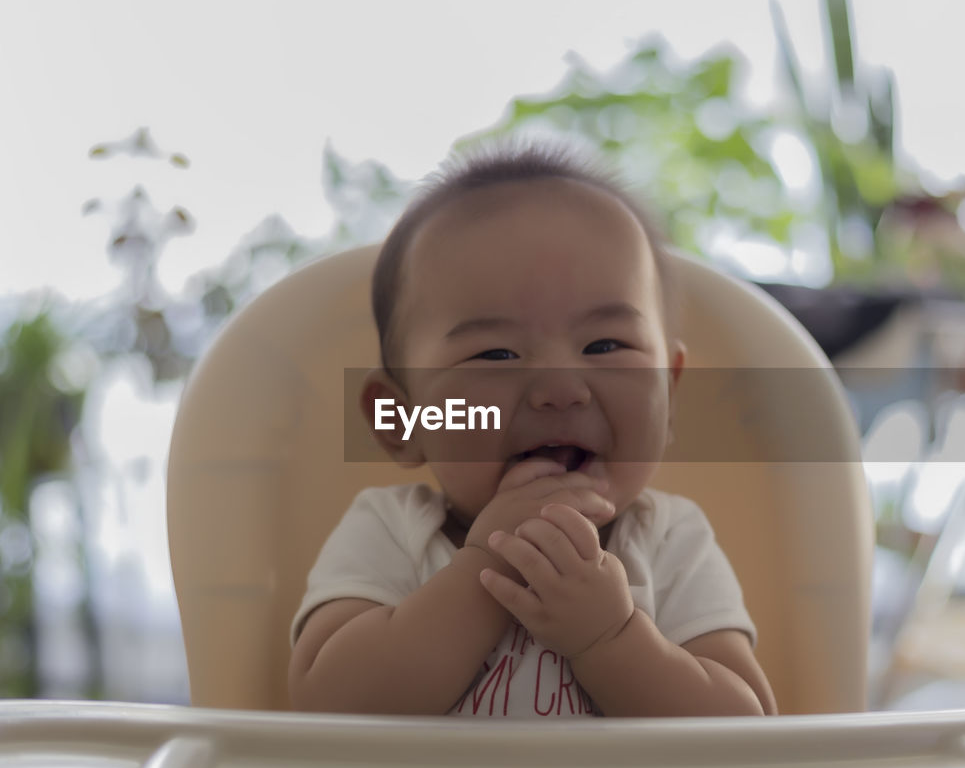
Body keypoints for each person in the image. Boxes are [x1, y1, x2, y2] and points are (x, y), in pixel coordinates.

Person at [287, 142, 776, 717]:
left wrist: (612, 639)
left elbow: (746, 727)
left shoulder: (669, 541)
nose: (560, 389)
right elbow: (325, 706)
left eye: (605, 345)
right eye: (495, 354)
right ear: (402, 417)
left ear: (669, 394)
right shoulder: (393, 531)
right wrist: (481, 573)